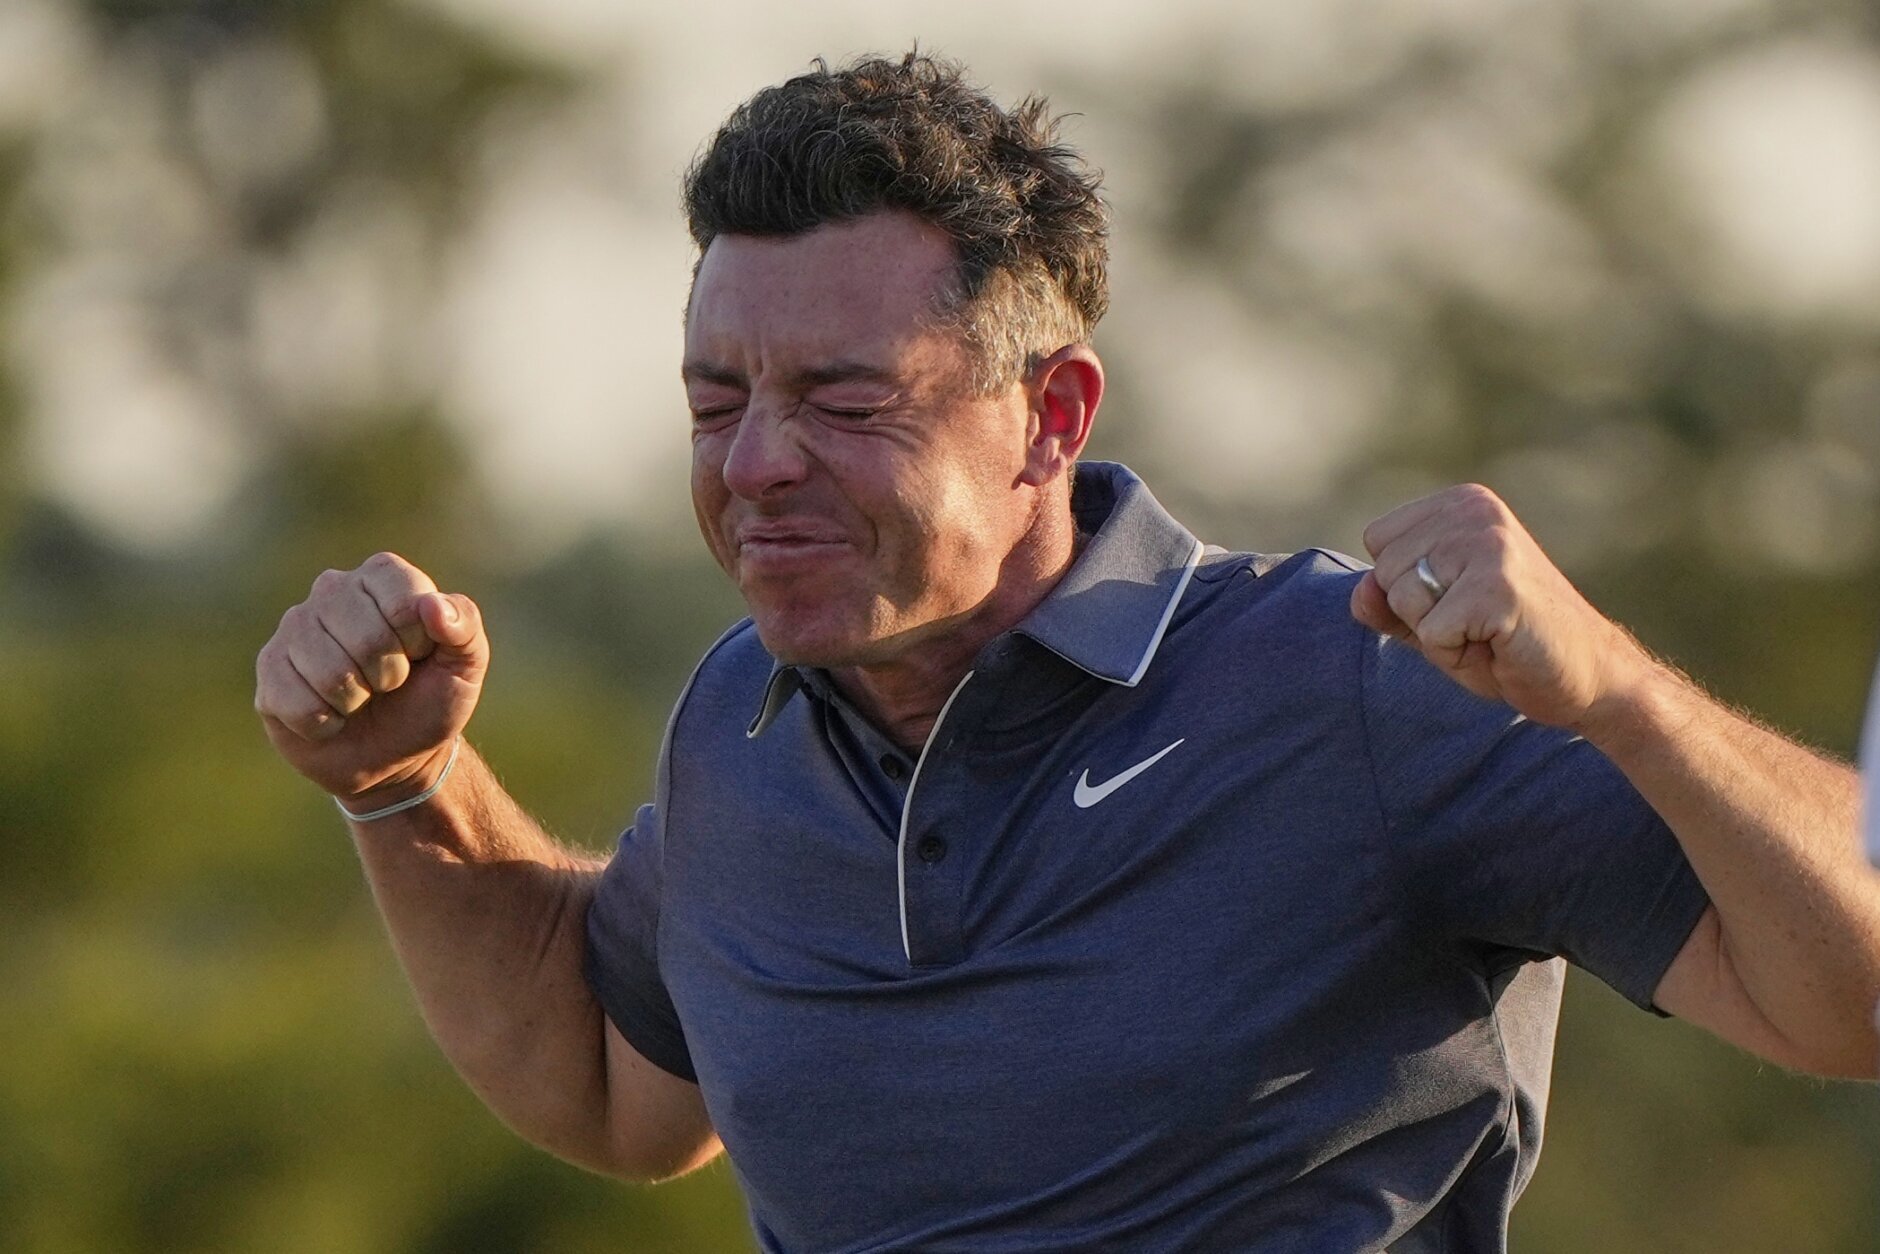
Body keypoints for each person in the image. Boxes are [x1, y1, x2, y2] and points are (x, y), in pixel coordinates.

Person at [254, 52, 1880, 1252]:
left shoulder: (1359, 680)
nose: (754, 464)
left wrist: (1628, 701)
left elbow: (1854, 1005)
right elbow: (621, 1086)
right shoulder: (737, 725)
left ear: (1051, 416)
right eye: (715, 400)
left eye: (841, 399)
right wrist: (406, 787)